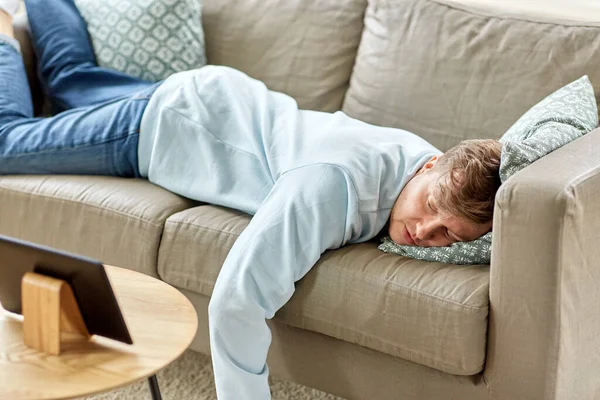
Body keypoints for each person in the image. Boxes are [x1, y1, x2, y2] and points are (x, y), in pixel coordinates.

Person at [0, 0, 502, 398]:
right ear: (431, 166)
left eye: (448, 237)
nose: (424, 232)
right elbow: (236, 302)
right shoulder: (328, 186)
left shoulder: (433, 162)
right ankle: (4, 32)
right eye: (430, 209)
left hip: (214, 99)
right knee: (7, 140)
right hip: (160, 127)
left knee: (71, 83)